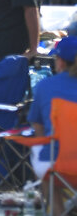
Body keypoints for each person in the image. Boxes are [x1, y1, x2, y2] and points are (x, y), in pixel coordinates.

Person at [27, 36, 77, 215]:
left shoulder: (45, 86)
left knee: (42, 154)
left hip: (56, 165)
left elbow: (39, 131)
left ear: (61, 61)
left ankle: (56, 210)